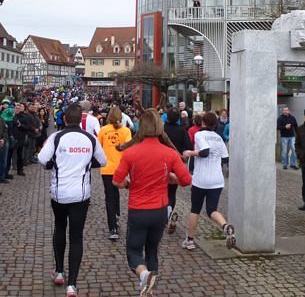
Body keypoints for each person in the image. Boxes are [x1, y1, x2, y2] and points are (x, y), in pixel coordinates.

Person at [112, 108, 192, 297]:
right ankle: (149, 290)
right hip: (160, 210)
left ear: (141, 127)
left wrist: (128, 184)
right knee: (152, 251)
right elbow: (186, 180)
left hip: (138, 209)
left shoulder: (131, 153)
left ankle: (144, 275)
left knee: (133, 252)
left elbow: (117, 181)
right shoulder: (169, 153)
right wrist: (171, 178)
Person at [38, 104, 107, 297]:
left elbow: (42, 159)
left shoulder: (56, 137)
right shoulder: (90, 138)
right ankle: (72, 285)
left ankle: (59, 271)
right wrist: (85, 163)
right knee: (76, 236)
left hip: (59, 193)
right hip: (81, 195)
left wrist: (55, 163)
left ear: (65, 119)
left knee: (60, 228)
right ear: (81, 119)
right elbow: (102, 161)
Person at [182, 112, 236, 250]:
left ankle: (190, 240)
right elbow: (225, 158)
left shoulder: (199, 135)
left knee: (195, 209)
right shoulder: (218, 137)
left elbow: (205, 152)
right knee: (212, 210)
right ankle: (225, 226)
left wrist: (190, 153)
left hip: (201, 179)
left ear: (203, 123)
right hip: (217, 180)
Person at [98, 107, 132, 239]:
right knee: (115, 192)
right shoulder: (126, 131)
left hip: (107, 168)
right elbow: (128, 149)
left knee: (110, 196)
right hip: (121, 168)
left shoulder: (103, 130)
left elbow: (99, 148)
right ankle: (116, 215)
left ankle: (113, 227)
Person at [164, 107, 193, 234]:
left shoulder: (162, 129)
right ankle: (169, 212)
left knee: (161, 191)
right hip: (176, 164)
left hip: (161, 163)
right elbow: (189, 148)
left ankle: (164, 214)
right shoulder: (182, 130)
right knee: (172, 193)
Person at [12, 103, 29, 176]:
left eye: (19, 108)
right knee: (11, 155)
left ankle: (20, 170)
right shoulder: (11, 116)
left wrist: (20, 125)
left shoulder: (24, 117)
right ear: (14, 109)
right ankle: (6, 172)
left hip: (20, 138)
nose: (17, 110)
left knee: (20, 155)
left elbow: (27, 127)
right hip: (12, 138)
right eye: (16, 108)